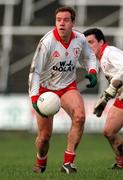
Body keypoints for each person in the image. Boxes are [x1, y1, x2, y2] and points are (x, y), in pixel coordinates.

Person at [28, 6, 98, 174]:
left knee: (80, 117)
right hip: (45, 90)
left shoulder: (80, 39)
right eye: (58, 20)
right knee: (44, 137)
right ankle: (41, 161)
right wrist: (34, 98)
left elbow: (89, 56)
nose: (62, 23)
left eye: (66, 20)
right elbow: (35, 71)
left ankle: (68, 163)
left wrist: (93, 72)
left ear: (73, 22)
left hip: (68, 87)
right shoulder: (47, 42)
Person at [83, 28, 123, 169]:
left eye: (91, 42)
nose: (88, 47)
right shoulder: (99, 59)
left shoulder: (110, 52)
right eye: (85, 44)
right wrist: (105, 100)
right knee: (109, 131)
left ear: (101, 42)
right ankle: (121, 162)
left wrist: (108, 93)